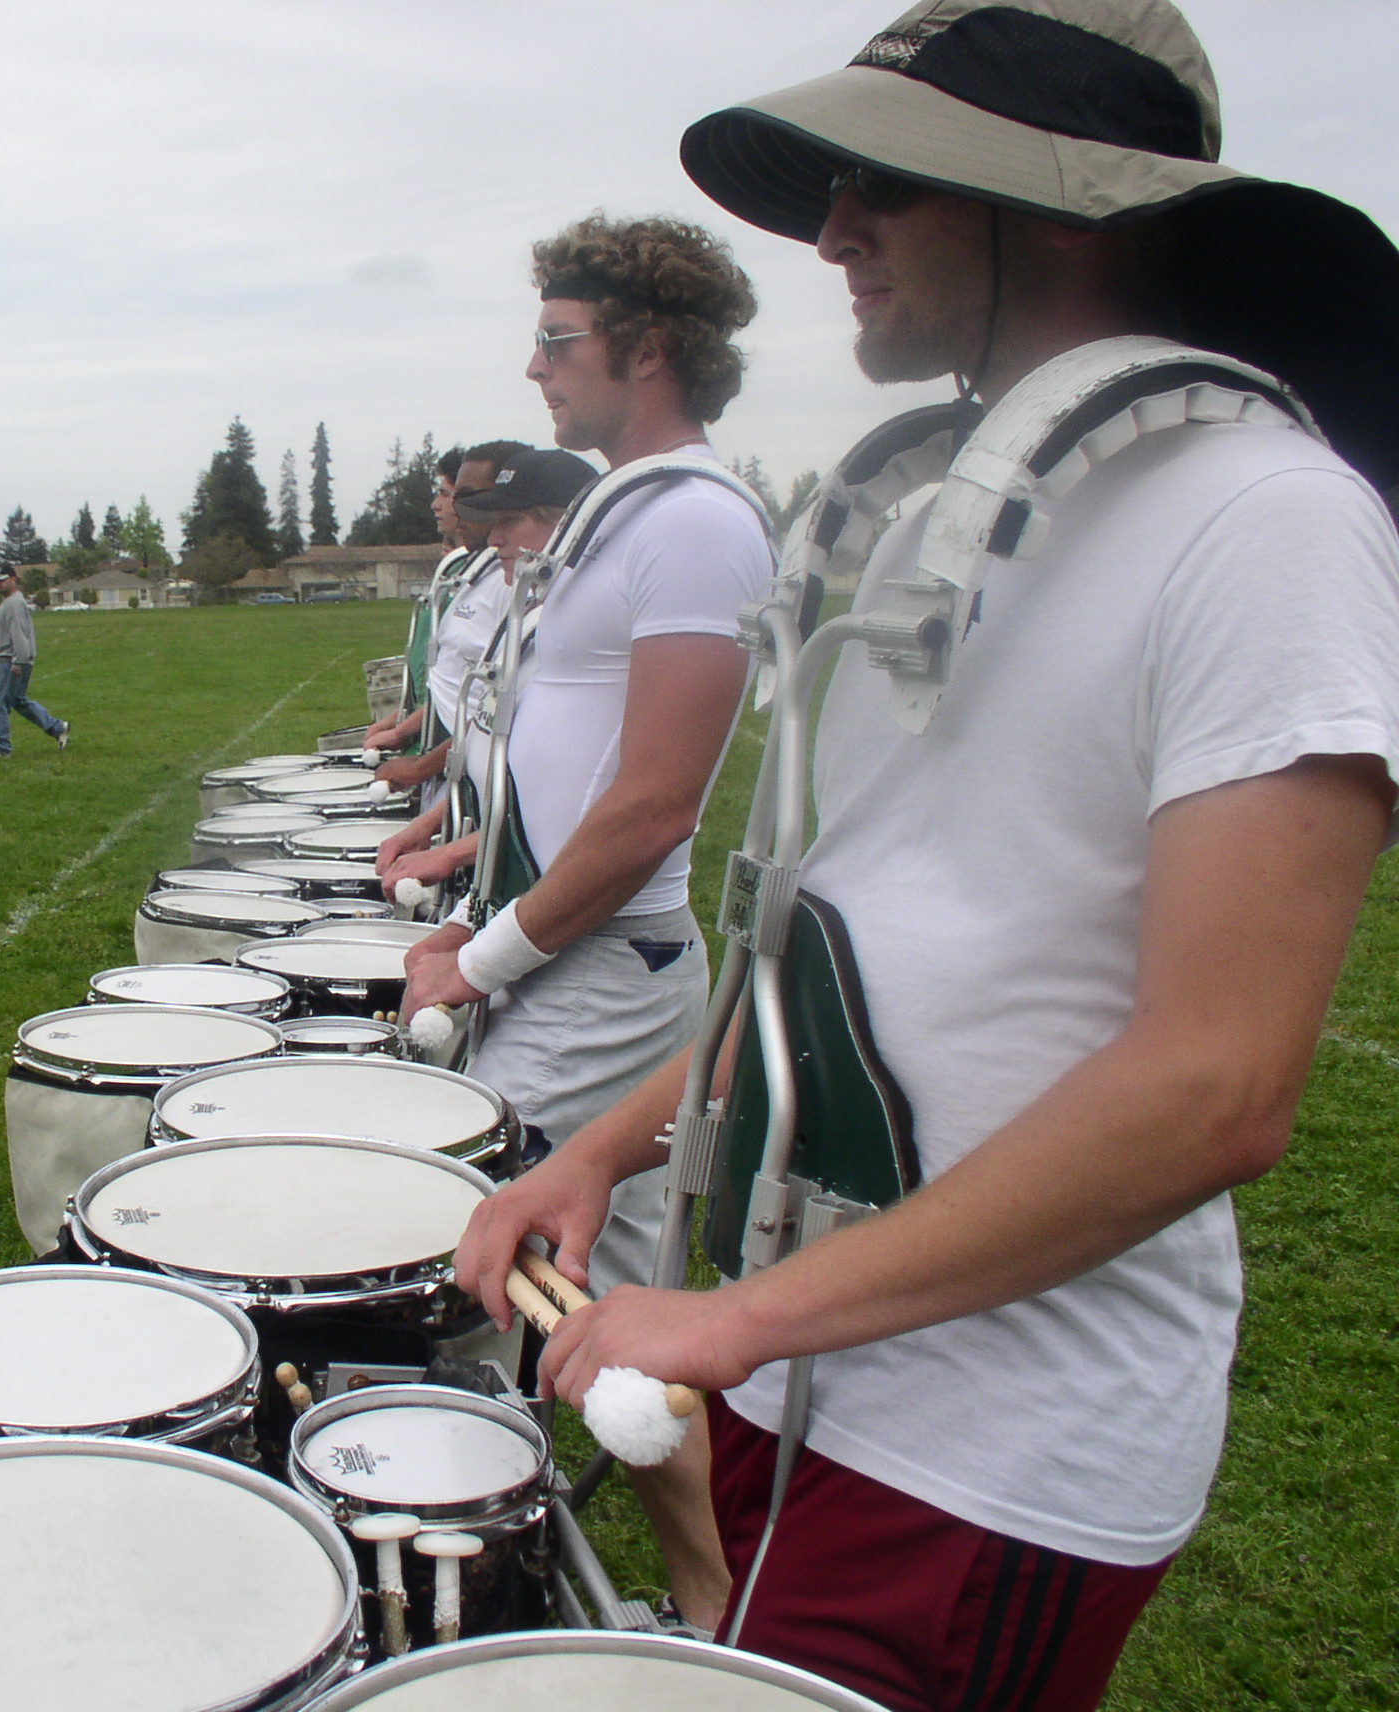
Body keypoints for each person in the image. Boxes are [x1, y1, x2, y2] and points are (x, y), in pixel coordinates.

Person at [457, 5, 1399, 1707]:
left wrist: (737, 1320)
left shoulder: (1267, 516)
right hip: (806, 1365)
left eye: (882, 184)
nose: (827, 231)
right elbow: (824, 941)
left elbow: (1219, 1083)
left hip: (991, 1443)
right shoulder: (933, 518)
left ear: (1057, 200)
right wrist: (599, 1150)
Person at [401, 216, 775, 1632]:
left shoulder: (694, 520)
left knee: (514, 1279)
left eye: (562, 339)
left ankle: (616, 1598)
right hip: (561, 957)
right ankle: (695, 1592)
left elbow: (652, 808)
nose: (538, 366)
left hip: (602, 970)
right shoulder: (634, 511)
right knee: (579, 1295)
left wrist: (481, 954)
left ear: (651, 347)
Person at [375, 447, 596, 900]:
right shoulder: (536, 617)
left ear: (568, 523)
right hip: (504, 866)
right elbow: (488, 735)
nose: (495, 538)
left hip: (565, 903)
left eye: (510, 521)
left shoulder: (591, 642)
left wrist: (453, 854)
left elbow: (578, 812)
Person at [362, 442, 531, 799]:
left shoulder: (513, 581)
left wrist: (421, 766)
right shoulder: (480, 567)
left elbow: (496, 710)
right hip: (451, 771)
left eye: (462, 496)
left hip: (473, 777)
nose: (452, 507)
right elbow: (451, 686)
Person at [0, 566, 68, 759]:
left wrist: (18, 661)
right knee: (17, 700)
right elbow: (1, 635)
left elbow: (19, 634)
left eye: (3, 579)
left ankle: (1, 748)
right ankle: (57, 728)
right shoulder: (9, 602)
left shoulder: (14, 603)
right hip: (11, 658)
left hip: (12, 660)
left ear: (13, 579)